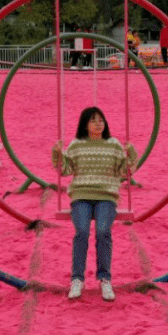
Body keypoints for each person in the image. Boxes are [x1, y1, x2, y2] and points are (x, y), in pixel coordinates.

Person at [52, 107, 137, 302]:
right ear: (85, 124)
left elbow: (124, 171)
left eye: (101, 119)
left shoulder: (113, 145)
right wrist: (57, 153)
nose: (98, 123)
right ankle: (77, 279)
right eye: (93, 120)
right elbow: (64, 169)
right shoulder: (76, 145)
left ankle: (105, 279)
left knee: (102, 232)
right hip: (81, 194)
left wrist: (131, 154)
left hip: (106, 195)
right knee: (82, 231)